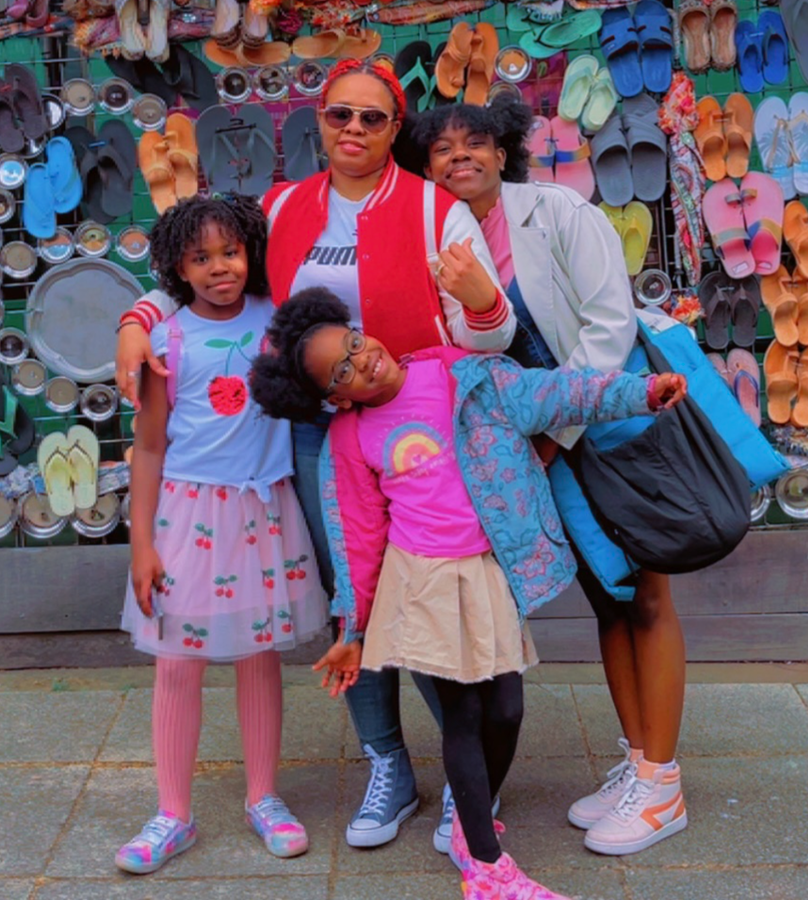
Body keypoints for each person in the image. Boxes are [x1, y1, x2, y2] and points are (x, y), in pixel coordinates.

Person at [115, 59, 516, 853]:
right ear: (320, 122)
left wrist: (481, 299)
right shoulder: (283, 207)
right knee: (350, 597)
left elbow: (492, 333)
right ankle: (387, 763)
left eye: (372, 117)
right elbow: (201, 273)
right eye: (340, 115)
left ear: (396, 128)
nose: (354, 129)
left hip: (411, 427)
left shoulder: (435, 209)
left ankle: (464, 777)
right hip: (314, 433)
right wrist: (138, 318)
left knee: (426, 588)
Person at [247, 288, 685, 899]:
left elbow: (555, 393)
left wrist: (639, 393)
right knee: (464, 715)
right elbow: (358, 540)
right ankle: (485, 865)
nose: (362, 360)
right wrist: (354, 630)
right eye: (341, 371)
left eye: (354, 343)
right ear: (335, 398)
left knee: (506, 711)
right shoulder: (351, 439)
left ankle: (469, 819)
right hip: (423, 581)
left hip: (485, 570)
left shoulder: (463, 377)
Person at [407, 99, 691, 856]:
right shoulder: (436, 238)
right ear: (426, 167)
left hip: (610, 423)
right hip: (538, 441)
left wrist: (555, 434)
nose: (461, 156)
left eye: (476, 142)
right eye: (442, 148)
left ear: (504, 152)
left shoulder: (560, 211)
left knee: (648, 592)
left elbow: (611, 323)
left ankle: (663, 785)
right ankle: (639, 762)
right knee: (608, 596)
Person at [115, 195, 327, 875]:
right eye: (200, 257)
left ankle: (264, 797)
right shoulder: (167, 339)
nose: (219, 268)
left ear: (250, 253)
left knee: (259, 656)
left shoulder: (277, 318)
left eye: (230, 252)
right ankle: (172, 813)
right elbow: (149, 448)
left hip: (263, 512)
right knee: (178, 663)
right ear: (178, 268)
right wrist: (141, 544)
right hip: (187, 518)